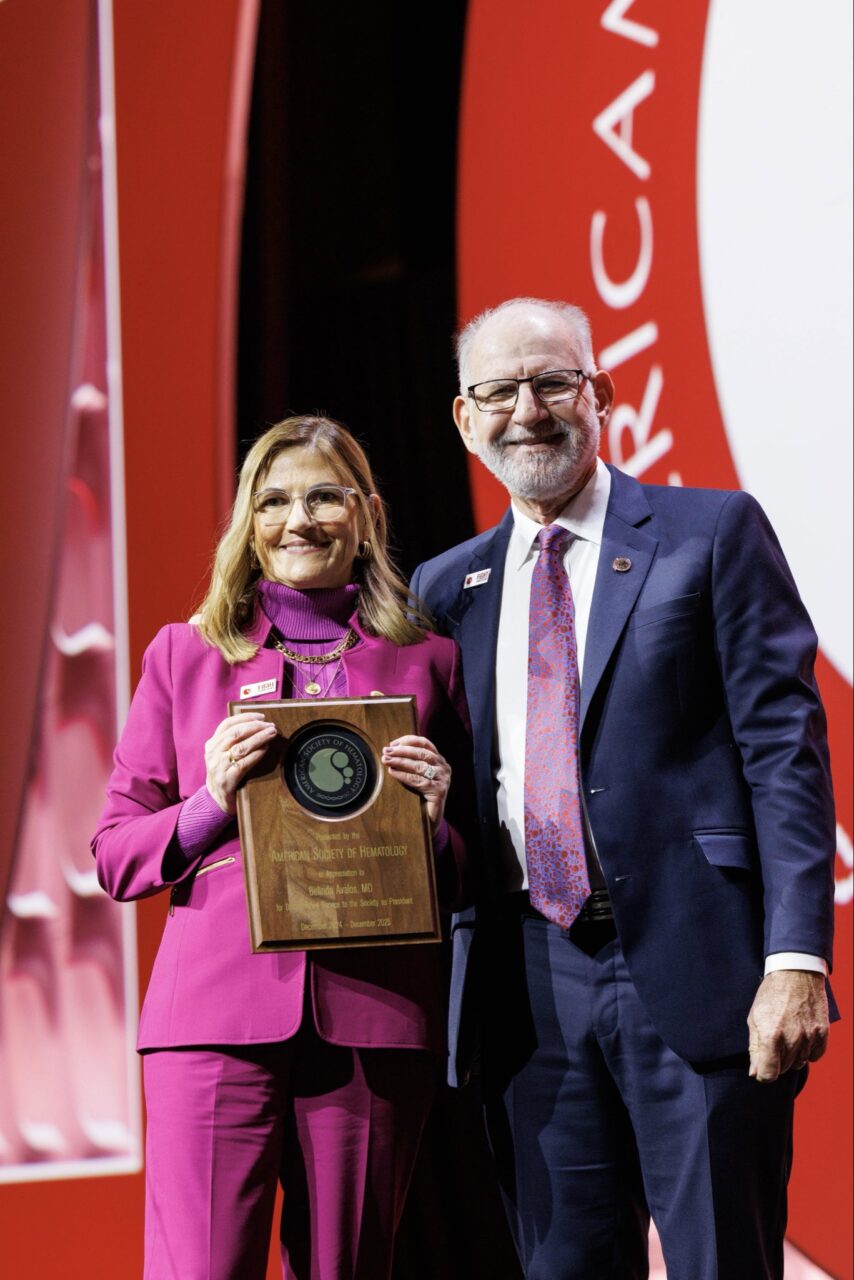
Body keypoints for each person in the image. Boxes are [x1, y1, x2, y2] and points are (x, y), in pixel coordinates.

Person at [410, 297, 837, 1280]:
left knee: (718, 1259)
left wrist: (792, 955)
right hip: (524, 985)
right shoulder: (444, 589)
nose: (528, 408)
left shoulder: (708, 531)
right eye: (499, 390)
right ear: (464, 420)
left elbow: (784, 752)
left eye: (552, 381)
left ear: (599, 392)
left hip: (700, 969)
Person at [92, 415, 472, 1280]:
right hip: (212, 1024)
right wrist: (209, 801)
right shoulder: (184, 658)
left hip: (372, 1022)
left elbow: (473, 870)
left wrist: (435, 824)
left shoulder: (429, 663)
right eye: (273, 501)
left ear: (367, 514)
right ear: (247, 522)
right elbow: (116, 853)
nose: (298, 520)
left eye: (323, 497)